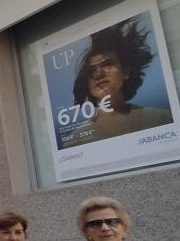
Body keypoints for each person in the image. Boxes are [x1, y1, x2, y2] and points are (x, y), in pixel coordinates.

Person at [63, 19, 173, 147]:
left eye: (107, 64)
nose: (99, 74)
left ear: (125, 71)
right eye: (92, 70)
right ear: (87, 83)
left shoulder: (160, 119)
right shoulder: (76, 140)